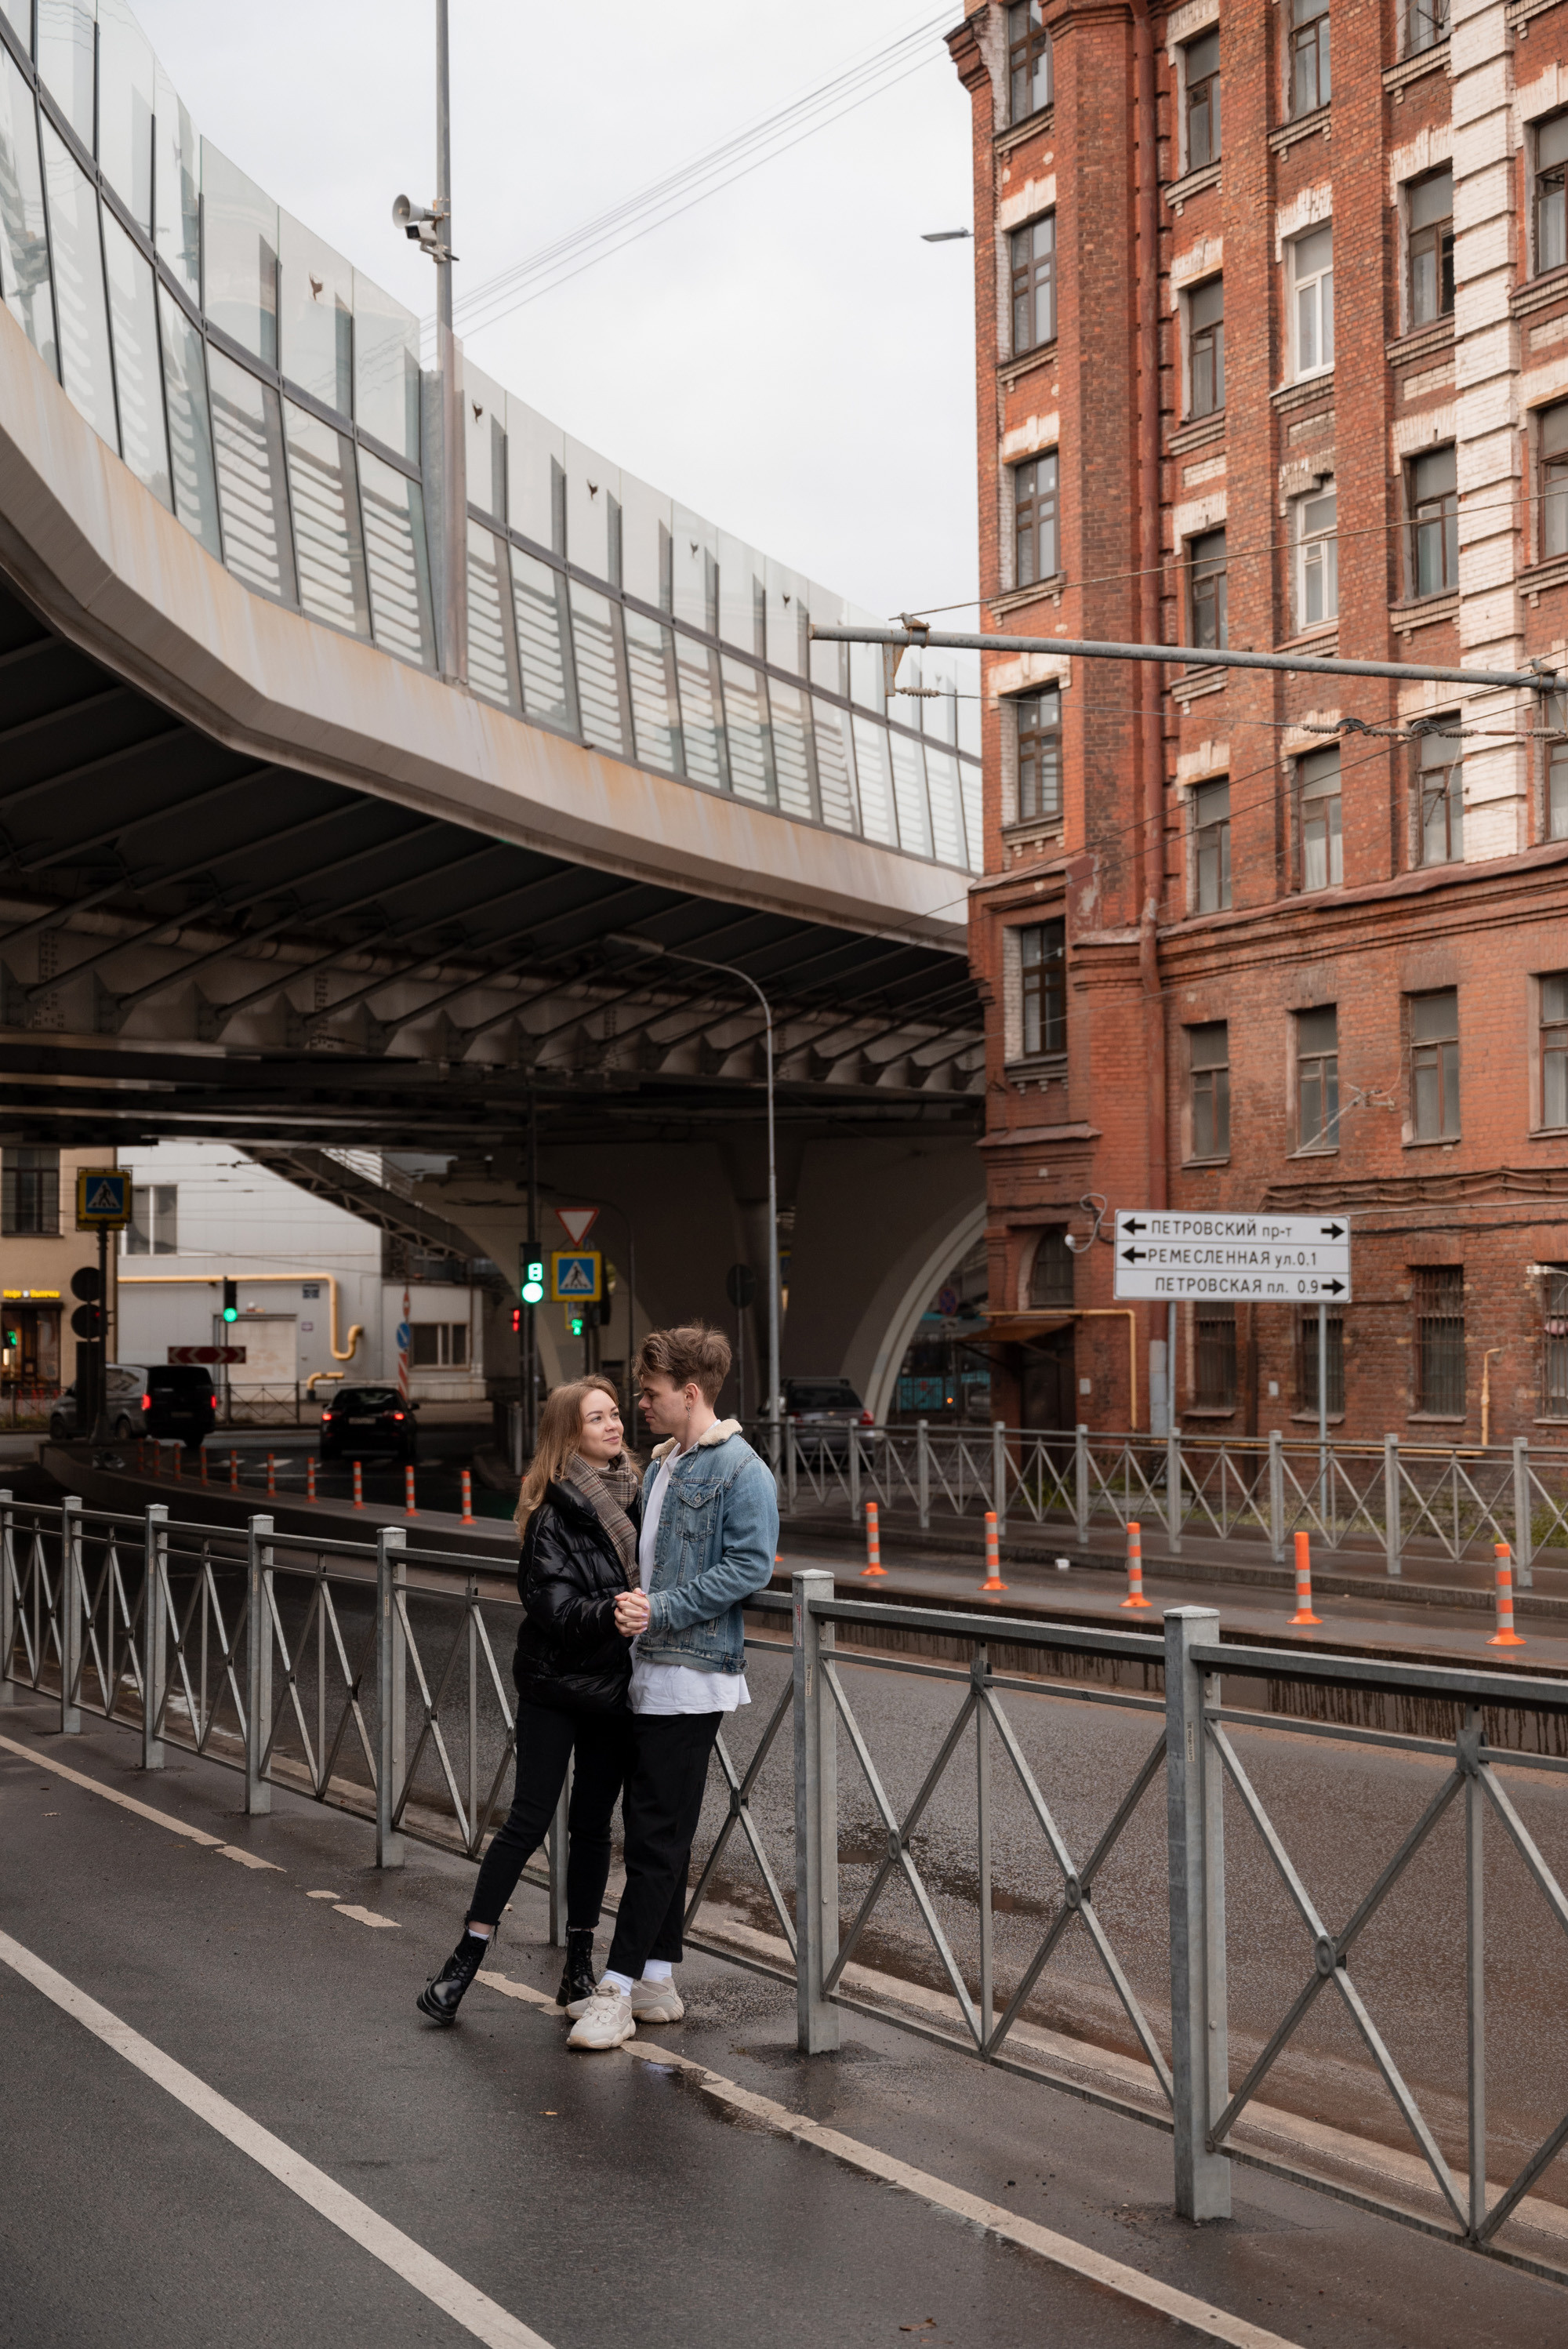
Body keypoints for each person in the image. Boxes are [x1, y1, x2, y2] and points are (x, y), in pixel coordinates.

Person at [566, 1323, 779, 2050]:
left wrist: (661, 1608)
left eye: (650, 1394)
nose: (640, 1405)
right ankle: (656, 1975)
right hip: (648, 1667)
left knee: (655, 1835)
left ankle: (617, 1990)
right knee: (662, 1830)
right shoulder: (664, 1465)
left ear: (690, 1393)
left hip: (691, 1675)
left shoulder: (742, 1469)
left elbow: (749, 1569)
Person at [416, 1376, 639, 2024]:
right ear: (571, 1435)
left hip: (615, 1689)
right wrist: (615, 1613)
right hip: (557, 1686)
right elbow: (555, 1608)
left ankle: (578, 1966)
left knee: (594, 1828)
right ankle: (466, 1957)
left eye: (617, 1414)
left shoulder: (643, 1495)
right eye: (598, 1418)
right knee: (527, 1820)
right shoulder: (552, 1515)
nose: (614, 1425)